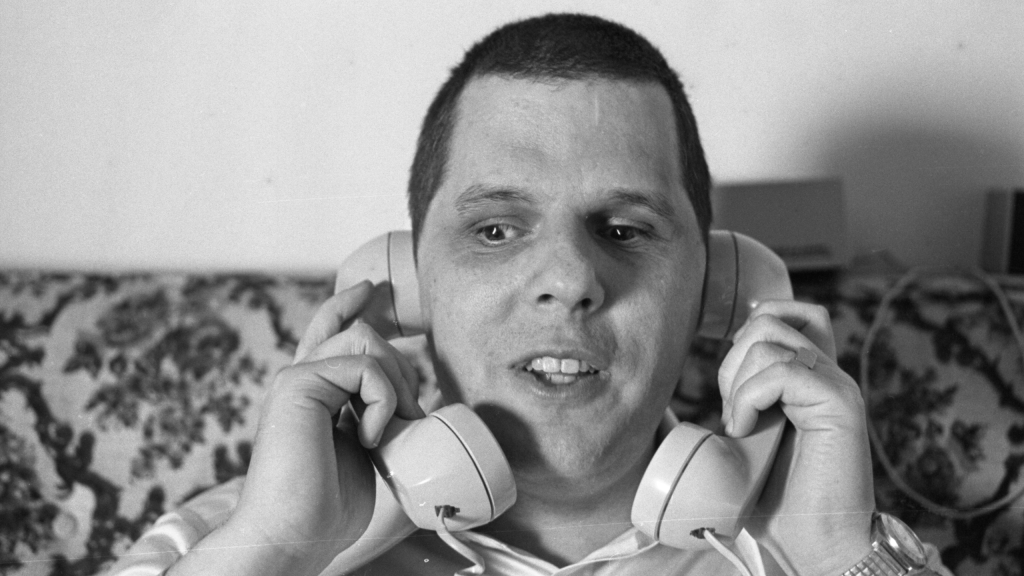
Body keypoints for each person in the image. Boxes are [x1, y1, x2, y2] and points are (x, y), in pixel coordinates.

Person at [107, 13, 949, 576]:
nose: (569, 282)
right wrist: (277, 549)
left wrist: (839, 555)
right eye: (497, 230)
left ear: (719, 290)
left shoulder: (835, 544)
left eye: (623, 228)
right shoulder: (230, 541)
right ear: (404, 286)